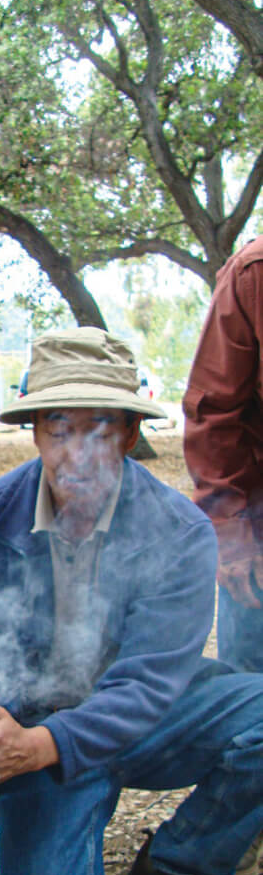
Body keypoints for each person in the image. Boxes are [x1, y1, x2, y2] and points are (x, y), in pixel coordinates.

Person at [0, 327, 263, 875]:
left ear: (131, 434)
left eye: (101, 428)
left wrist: (49, 743)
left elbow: (151, 683)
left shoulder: (180, 531)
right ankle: (58, 830)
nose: (79, 452)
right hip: (33, 732)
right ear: (34, 432)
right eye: (59, 427)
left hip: (147, 720)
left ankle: (187, 865)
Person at [183, 235, 263, 672]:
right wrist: (231, 538)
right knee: (254, 701)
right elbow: (213, 414)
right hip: (260, 531)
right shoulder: (255, 272)